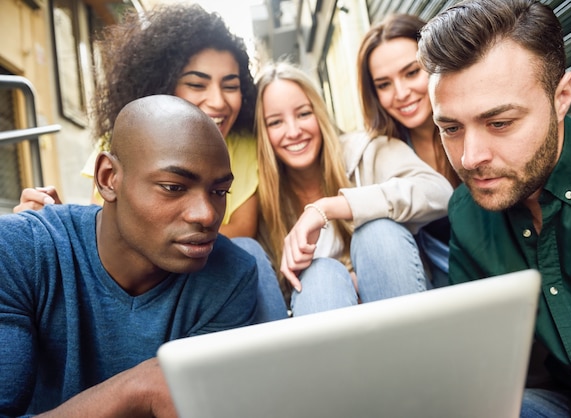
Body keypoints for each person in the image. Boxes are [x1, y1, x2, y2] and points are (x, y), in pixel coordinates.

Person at [12, 4, 287, 322]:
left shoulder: (244, 144)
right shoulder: (120, 141)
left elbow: (239, 232)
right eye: (197, 84)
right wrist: (60, 223)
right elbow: (104, 227)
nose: (218, 100)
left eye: (230, 85)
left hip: (206, 280)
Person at [417, 0, 571, 416]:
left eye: (499, 123)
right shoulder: (468, 212)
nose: (471, 157)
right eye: (451, 129)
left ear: (562, 95)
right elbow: (482, 363)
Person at [0, 95, 258, 416]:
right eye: (173, 187)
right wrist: (136, 389)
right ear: (109, 178)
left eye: (219, 192)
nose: (207, 215)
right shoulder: (18, 250)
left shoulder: (231, 275)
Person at [254, 61, 453, 316]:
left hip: (398, 303)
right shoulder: (266, 199)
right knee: (320, 275)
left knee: (377, 232)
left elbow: (439, 192)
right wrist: (343, 285)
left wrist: (329, 208)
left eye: (304, 113)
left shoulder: (365, 150)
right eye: (275, 122)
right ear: (263, 132)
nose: (294, 131)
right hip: (325, 315)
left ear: (320, 114)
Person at [356, 13, 461, 288]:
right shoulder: (378, 155)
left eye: (412, 72)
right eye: (384, 84)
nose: (401, 93)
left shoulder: (476, 126)